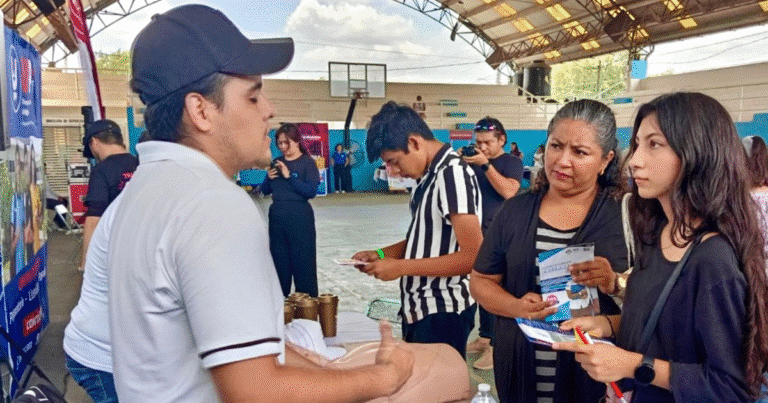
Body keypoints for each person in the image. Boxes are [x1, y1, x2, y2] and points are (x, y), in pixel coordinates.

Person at [109, 5, 412, 402]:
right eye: (253, 97)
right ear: (201, 110)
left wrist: (316, 365)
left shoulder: (145, 188)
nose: (268, 110)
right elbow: (257, 391)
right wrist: (384, 378)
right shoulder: (211, 203)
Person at [554, 92, 768, 402]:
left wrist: (632, 366)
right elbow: (668, 329)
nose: (636, 160)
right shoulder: (658, 234)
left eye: (655, 144)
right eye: (638, 144)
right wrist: (609, 325)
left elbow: (730, 387)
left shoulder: (713, 259)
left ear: (698, 152)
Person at [470, 99, 628, 403]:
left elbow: (656, 302)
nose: (562, 160)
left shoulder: (627, 216)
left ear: (606, 160)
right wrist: (516, 306)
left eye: (580, 152)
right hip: (520, 365)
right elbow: (481, 281)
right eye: (556, 146)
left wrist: (614, 283)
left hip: (594, 375)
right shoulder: (515, 211)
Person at [352, 101, 483, 358]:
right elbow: (424, 238)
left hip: (442, 311)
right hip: (421, 308)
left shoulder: (452, 175)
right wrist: (379, 254)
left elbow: (473, 257)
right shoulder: (427, 177)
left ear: (414, 143)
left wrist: (399, 268)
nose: (393, 171)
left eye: (394, 161)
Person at [460, 116, 523, 370]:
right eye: (478, 143)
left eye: (487, 142)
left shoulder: (511, 162)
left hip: (503, 236)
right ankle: (485, 337)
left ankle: (497, 347)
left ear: (502, 140)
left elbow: (509, 191)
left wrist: (486, 165)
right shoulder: (472, 162)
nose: (482, 147)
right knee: (478, 286)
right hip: (476, 234)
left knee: (497, 289)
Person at [261, 123, 320, 297]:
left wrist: (289, 177)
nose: (283, 147)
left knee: (303, 263)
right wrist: (268, 179)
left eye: (287, 143)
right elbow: (264, 191)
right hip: (278, 217)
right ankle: (281, 305)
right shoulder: (277, 163)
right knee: (280, 262)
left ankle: (306, 306)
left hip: (300, 217)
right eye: (280, 143)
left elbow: (310, 191)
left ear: (297, 141)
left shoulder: (307, 163)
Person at [80, 119, 138, 272]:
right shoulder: (141, 163)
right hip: (146, 247)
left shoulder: (101, 170)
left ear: (95, 142)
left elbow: (94, 219)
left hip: (116, 252)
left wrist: (86, 262)